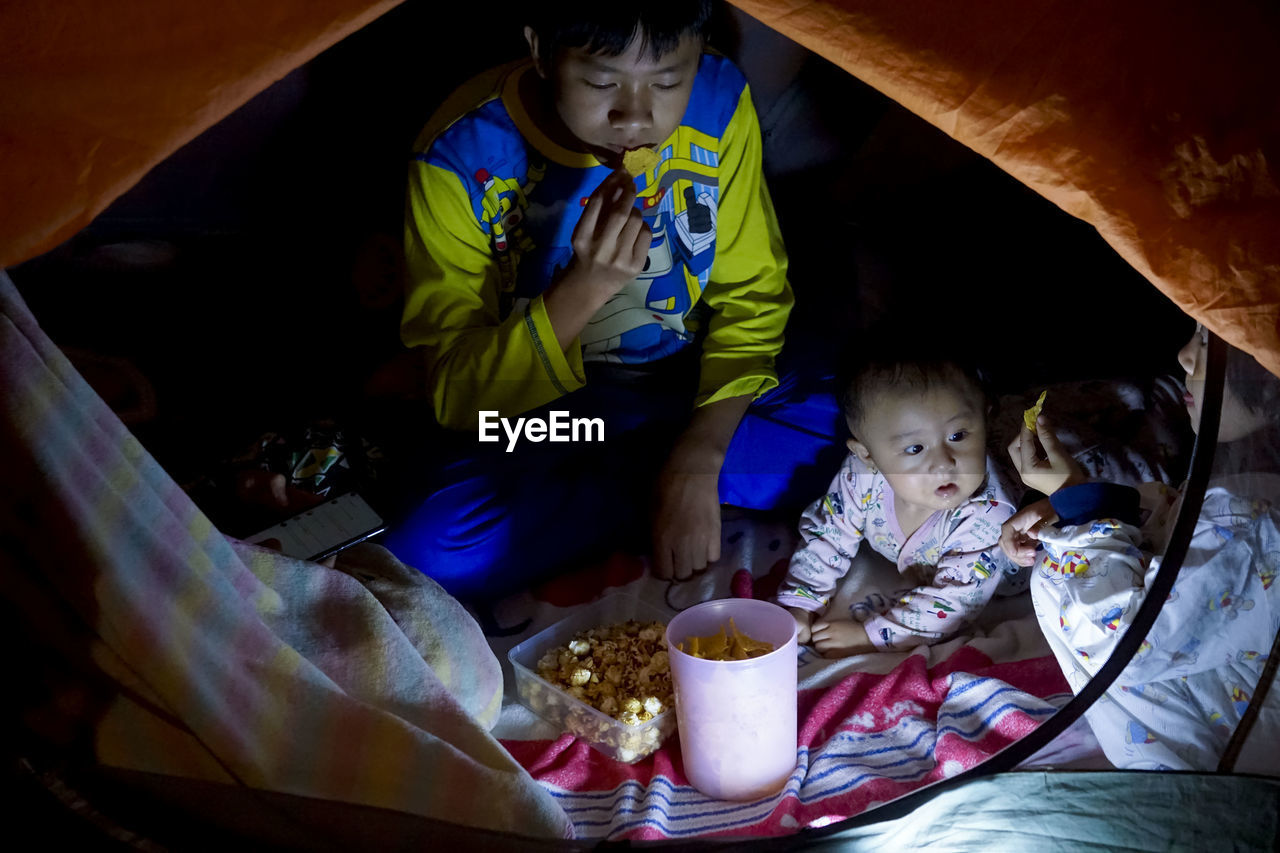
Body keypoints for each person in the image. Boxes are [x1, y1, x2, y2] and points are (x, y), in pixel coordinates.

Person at [381, 2, 843, 599]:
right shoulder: (459, 158)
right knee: (433, 545)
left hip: (686, 381)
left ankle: (659, 481)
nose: (635, 116)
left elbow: (754, 296)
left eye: (669, 81)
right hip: (557, 422)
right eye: (601, 82)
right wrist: (587, 284)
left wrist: (697, 457)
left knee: (858, 430)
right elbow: (462, 399)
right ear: (543, 53)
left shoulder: (720, 99)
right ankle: (655, 485)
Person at [1000, 324, 1280, 770]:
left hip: (1210, 776)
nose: (1185, 356)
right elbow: (1182, 538)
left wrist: (1083, 513)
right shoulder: (1250, 491)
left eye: (1210, 343)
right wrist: (1082, 498)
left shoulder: (1256, 527)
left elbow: (1123, 646)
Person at [776, 345, 1021, 657]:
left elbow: (954, 603)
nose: (943, 462)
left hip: (1011, 574)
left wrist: (874, 635)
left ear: (985, 421)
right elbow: (829, 533)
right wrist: (800, 601)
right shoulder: (862, 476)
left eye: (958, 436)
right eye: (915, 449)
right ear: (868, 455)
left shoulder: (987, 516)